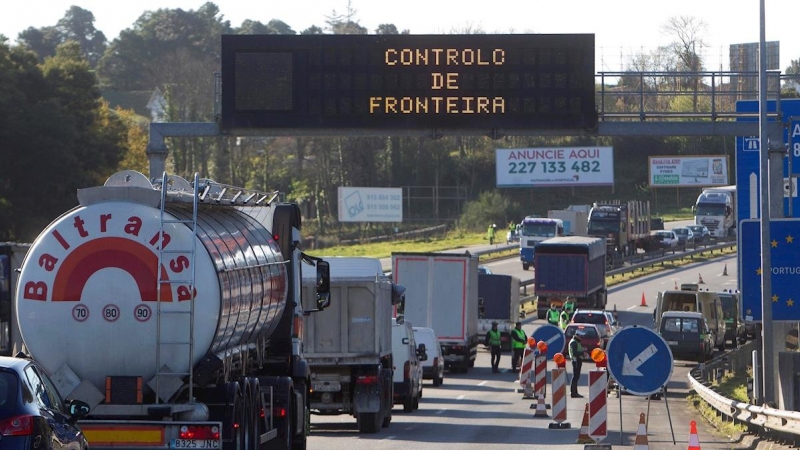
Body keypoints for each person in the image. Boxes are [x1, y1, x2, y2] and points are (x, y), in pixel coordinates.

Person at [568, 333, 585, 398]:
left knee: (576, 377)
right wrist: (582, 353)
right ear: (577, 336)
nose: (581, 338)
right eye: (581, 336)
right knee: (575, 376)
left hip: (577, 360)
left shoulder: (576, 342)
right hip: (576, 361)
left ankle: (575, 392)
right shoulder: (574, 342)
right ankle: (573, 393)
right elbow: (574, 353)